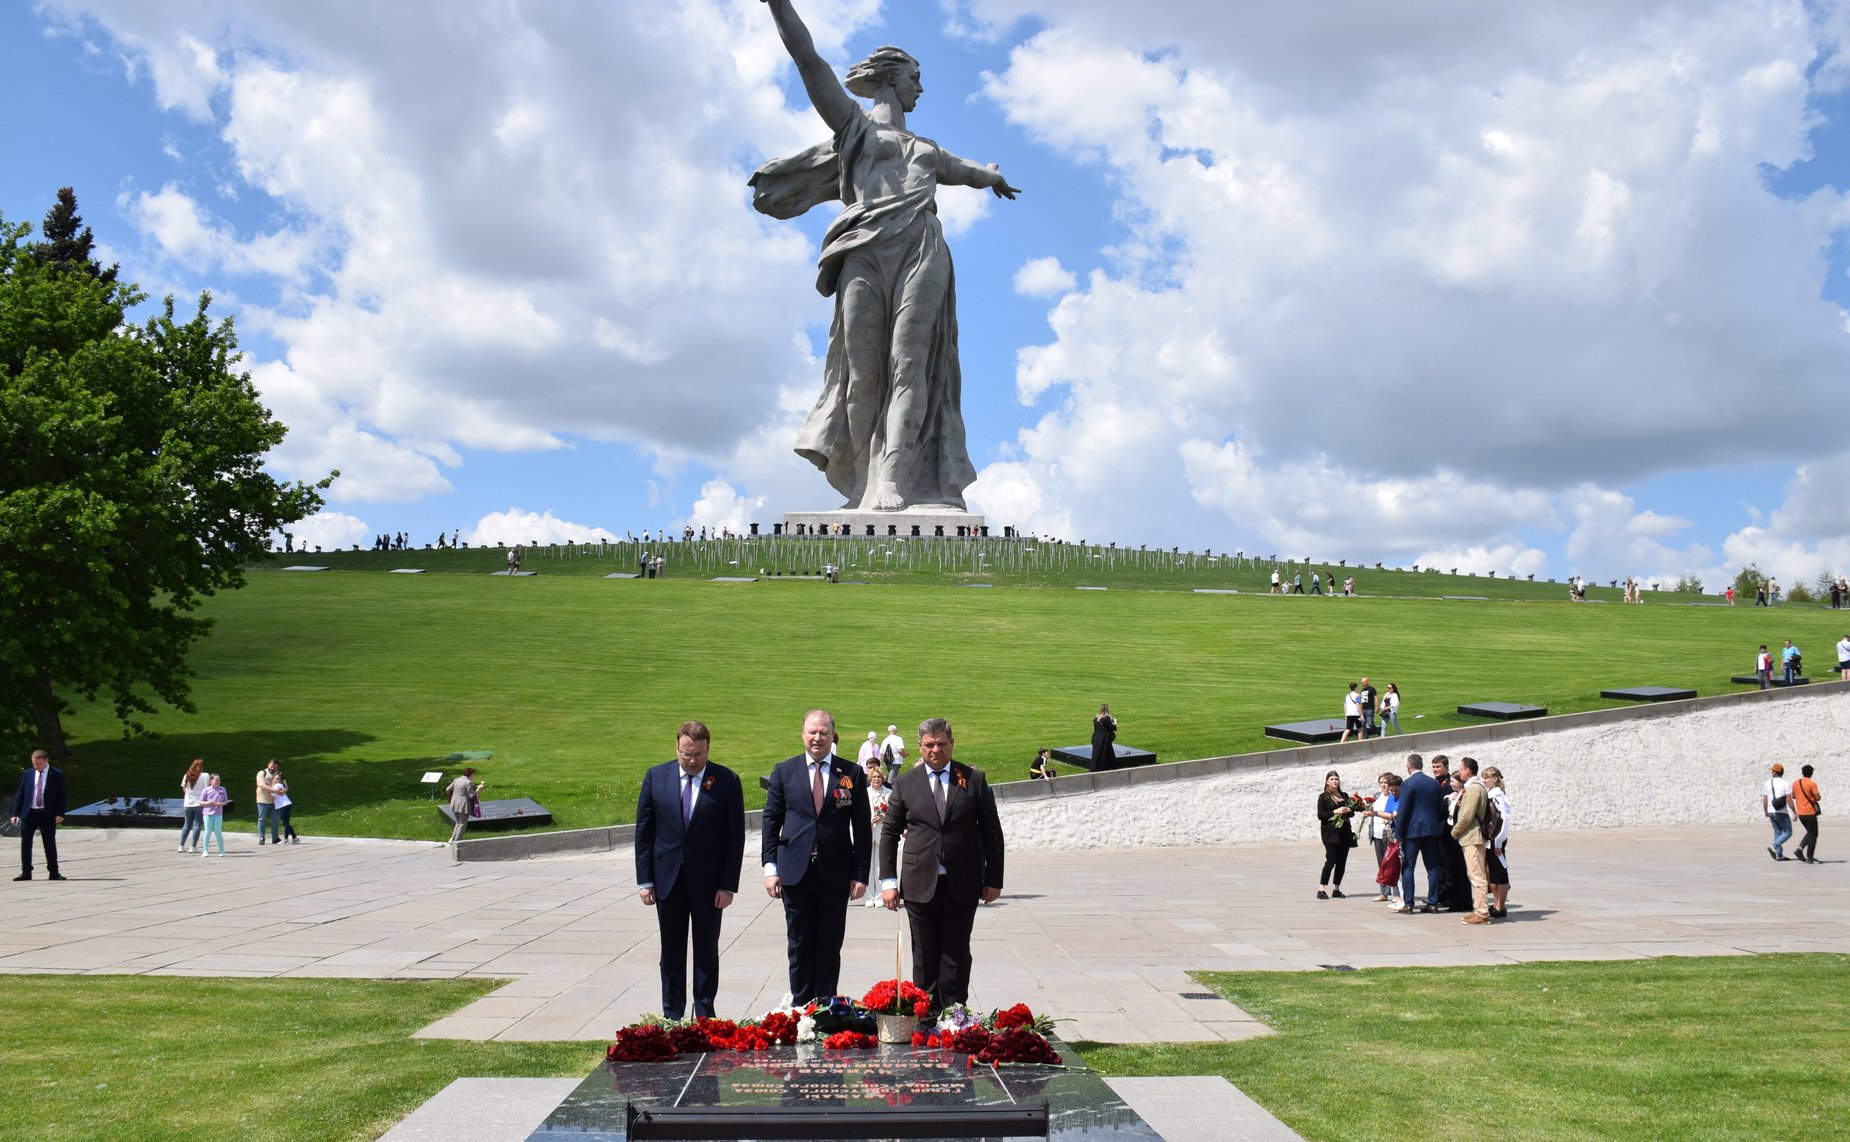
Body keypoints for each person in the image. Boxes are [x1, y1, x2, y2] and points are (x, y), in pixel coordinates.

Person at [753, 0, 1017, 512]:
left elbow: (968, 170)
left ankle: (893, 476)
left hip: (921, 249)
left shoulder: (928, 150)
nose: (921, 87)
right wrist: (778, 4)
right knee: (861, 374)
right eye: (915, 77)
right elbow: (808, 61)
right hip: (863, 253)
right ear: (890, 79)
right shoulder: (854, 129)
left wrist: (993, 176)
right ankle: (862, 480)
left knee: (910, 364)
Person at [879, 717, 1005, 1015]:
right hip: (920, 883)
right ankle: (926, 1017)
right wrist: (888, 883)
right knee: (924, 955)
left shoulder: (973, 780)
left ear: (952, 744)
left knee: (957, 953)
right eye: (929, 745)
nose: (936, 750)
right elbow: (889, 833)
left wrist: (994, 880)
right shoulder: (906, 782)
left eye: (942, 744)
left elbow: (992, 832)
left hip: (962, 881)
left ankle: (954, 1015)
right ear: (919, 747)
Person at [634, 721, 746, 1020]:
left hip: (709, 885)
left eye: (698, 754)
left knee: (707, 950)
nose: (693, 760)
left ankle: (704, 1013)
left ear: (708, 749)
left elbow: (735, 838)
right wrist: (645, 880)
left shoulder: (726, 780)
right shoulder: (656, 777)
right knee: (671, 951)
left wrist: (728, 884)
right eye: (687, 754)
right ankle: (672, 1014)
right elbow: (644, 833)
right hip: (667, 880)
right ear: (677, 748)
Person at [763, 709, 871, 1005]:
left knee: (829, 945)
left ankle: (825, 1008)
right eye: (812, 731)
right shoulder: (785, 771)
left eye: (823, 732)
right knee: (799, 944)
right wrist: (770, 868)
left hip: (835, 873)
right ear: (803, 735)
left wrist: (860, 874)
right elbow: (771, 821)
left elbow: (862, 828)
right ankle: (800, 1008)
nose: (817, 737)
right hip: (795, 872)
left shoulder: (850, 774)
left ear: (832, 736)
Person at [1393, 754, 1445, 913]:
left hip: (1412, 831)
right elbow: (1438, 807)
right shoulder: (1434, 783)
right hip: (1430, 829)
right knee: (1432, 867)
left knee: (1408, 866)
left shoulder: (1408, 784)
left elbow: (1403, 811)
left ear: (1409, 767)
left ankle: (1409, 903)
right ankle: (1433, 903)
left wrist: (1398, 833)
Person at [10, 750, 67, 881]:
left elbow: (61, 796)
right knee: (26, 843)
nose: (37, 766)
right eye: (34, 763)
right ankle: (26, 872)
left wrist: (60, 813)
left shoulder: (56, 774)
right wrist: (15, 813)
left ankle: (54, 872)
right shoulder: (27, 774)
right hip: (29, 813)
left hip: (47, 814)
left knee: (49, 843)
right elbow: (21, 794)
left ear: (47, 761)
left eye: (39, 764)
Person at [1451, 758, 1493, 924]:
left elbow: (1467, 815)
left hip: (1472, 836)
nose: (1460, 772)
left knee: (1477, 875)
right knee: (1474, 874)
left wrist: (1455, 831)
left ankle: (1482, 913)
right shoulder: (1473, 787)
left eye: (1461, 769)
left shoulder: (1474, 788)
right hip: (1470, 836)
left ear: (1468, 770)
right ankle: (1478, 910)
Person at [1314, 771, 1358, 899]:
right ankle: (1321, 889)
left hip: (1344, 832)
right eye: (1332, 779)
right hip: (1330, 834)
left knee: (1342, 862)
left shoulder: (1344, 795)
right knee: (1331, 860)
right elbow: (1321, 815)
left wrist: (1349, 810)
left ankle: (1336, 888)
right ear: (1327, 781)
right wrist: (1335, 811)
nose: (1334, 781)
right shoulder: (1323, 797)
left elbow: (1352, 813)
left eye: (1336, 779)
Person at [1366, 773, 1401, 902]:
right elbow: (1373, 812)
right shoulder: (1376, 796)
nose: (1383, 785)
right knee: (1382, 864)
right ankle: (1384, 892)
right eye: (1381, 782)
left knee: (1393, 863)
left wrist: (1377, 814)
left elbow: (1391, 814)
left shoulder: (1394, 797)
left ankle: (1397, 893)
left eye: (1385, 782)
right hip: (1377, 832)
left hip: (1389, 833)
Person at [1483, 766, 1512, 917]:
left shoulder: (1498, 796)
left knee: (1500, 872)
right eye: (1484, 777)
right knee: (1492, 872)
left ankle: (1501, 906)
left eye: (1487, 777)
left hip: (1496, 839)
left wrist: (1499, 842)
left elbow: (1503, 821)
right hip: (1490, 838)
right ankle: (1496, 903)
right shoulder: (1490, 794)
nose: (1485, 780)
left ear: (1495, 779)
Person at [863, 764, 892, 907]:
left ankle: (880, 896)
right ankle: (869, 896)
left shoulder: (888, 792)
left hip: (881, 831)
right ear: (870, 778)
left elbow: (893, 812)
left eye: (879, 777)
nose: (876, 779)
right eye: (874, 777)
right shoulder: (864, 792)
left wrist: (883, 816)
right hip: (867, 831)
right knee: (868, 865)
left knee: (881, 865)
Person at [1791, 764, 1822, 864]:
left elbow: (1793, 796)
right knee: (1813, 834)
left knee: (1810, 832)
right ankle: (1810, 857)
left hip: (1800, 813)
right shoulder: (1812, 783)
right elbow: (1817, 797)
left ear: (1802, 772)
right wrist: (1812, 798)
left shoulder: (1796, 783)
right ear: (1811, 773)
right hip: (1810, 812)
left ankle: (1799, 850)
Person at [1763, 763, 1795, 861]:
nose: (1771, 772)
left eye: (1772, 770)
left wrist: (1766, 811)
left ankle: (1779, 855)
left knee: (1777, 832)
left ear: (1775, 772)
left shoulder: (1767, 783)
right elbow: (1789, 799)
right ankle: (1774, 845)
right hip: (1781, 811)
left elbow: (1765, 799)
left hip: (1771, 810)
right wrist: (1794, 811)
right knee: (1788, 832)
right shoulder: (1786, 783)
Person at [446, 768, 481, 853]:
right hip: (463, 806)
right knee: (462, 824)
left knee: (458, 822)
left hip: (454, 804)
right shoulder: (468, 782)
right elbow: (471, 796)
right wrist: (479, 790)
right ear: (471, 774)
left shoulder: (456, 780)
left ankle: (453, 839)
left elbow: (447, 789)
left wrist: (453, 795)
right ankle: (457, 842)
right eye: (473, 775)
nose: (473, 776)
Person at [179, 758, 209, 854]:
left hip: (187, 803)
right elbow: (207, 789)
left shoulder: (187, 775)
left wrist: (189, 796)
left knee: (187, 825)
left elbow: (184, 789)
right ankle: (193, 847)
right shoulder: (205, 775)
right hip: (199, 803)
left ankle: (181, 845)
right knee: (197, 825)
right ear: (202, 766)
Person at [199, 774, 229, 857]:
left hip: (218, 813)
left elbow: (226, 801)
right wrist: (209, 803)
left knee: (218, 831)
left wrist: (221, 803)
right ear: (211, 781)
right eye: (216, 780)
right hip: (208, 813)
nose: (218, 782)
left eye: (219, 780)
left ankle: (222, 851)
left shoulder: (222, 789)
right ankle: (205, 851)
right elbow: (200, 802)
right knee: (207, 831)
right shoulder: (206, 790)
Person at [254, 760, 282, 846]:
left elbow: (285, 785)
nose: (273, 768)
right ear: (268, 765)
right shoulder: (262, 773)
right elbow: (261, 785)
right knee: (262, 819)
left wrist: (284, 790)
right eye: (272, 766)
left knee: (276, 820)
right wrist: (274, 790)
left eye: (275, 767)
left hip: (275, 801)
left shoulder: (279, 774)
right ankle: (262, 838)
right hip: (263, 800)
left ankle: (275, 838)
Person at [271, 765, 299, 844]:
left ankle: (285, 839)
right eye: (275, 778)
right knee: (285, 822)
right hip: (285, 805)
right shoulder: (276, 786)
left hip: (285, 805)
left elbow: (272, 797)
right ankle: (295, 838)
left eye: (277, 779)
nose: (275, 780)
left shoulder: (277, 786)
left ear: (280, 781)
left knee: (285, 822)